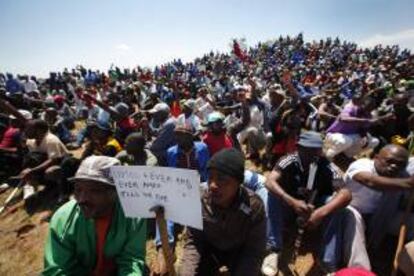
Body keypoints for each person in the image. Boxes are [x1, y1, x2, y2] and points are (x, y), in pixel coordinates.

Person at [264, 131, 352, 275]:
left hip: (314, 210)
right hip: (289, 207)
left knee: (335, 203)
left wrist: (320, 213)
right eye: (307, 149)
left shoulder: (327, 166)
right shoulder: (288, 160)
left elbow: (346, 194)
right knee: (273, 193)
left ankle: (327, 261)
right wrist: (291, 201)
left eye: (316, 150)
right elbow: (270, 181)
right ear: (298, 147)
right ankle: (274, 249)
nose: (313, 154)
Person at [43, 156, 147, 275]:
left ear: (116, 192)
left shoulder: (133, 216)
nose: (82, 199)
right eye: (78, 190)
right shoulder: (63, 219)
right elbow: (57, 270)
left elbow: (131, 259)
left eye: (94, 191)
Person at [179, 148, 266, 275]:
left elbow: (253, 251)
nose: (213, 185)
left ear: (238, 182)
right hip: (209, 249)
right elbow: (194, 241)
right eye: (211, 177)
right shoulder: (199, 199)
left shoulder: (254, 206)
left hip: (238, 251)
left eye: (222, 179)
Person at [337, 144, 414, 271]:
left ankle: (405, 263)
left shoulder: (401, 175)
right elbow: (370, 181)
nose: (394, 166)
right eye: (389, 161)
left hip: (377, 218)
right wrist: (408, 183)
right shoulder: (362, 164)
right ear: (376, 157)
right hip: (350, 214)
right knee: (353, 216)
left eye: (400, 164)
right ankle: (361, 270)